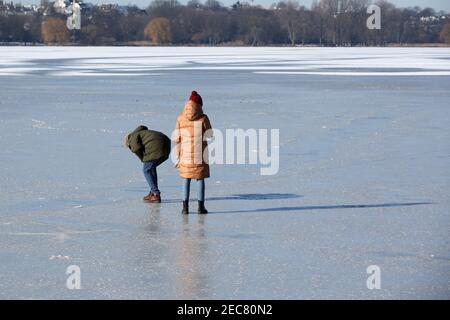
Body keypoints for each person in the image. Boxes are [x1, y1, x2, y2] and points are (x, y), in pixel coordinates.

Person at [174, 91, 213, 214]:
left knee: (186, 178)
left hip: (185, 154)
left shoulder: (180, 118)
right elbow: (210, 134)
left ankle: (185, 208)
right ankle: (201, 207)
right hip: (200, 154)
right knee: (200, 179)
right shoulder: (203, 118)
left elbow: (177, 138)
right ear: (200, 105)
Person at [124, 125, 171, 203]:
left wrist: (142, 158)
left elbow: (135, 148)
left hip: (156, 147)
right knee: (151, 168)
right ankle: (152, 192)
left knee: (146, 170)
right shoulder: (142, 133)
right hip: (166, 146)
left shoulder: (132, 137)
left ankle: (155, 193)